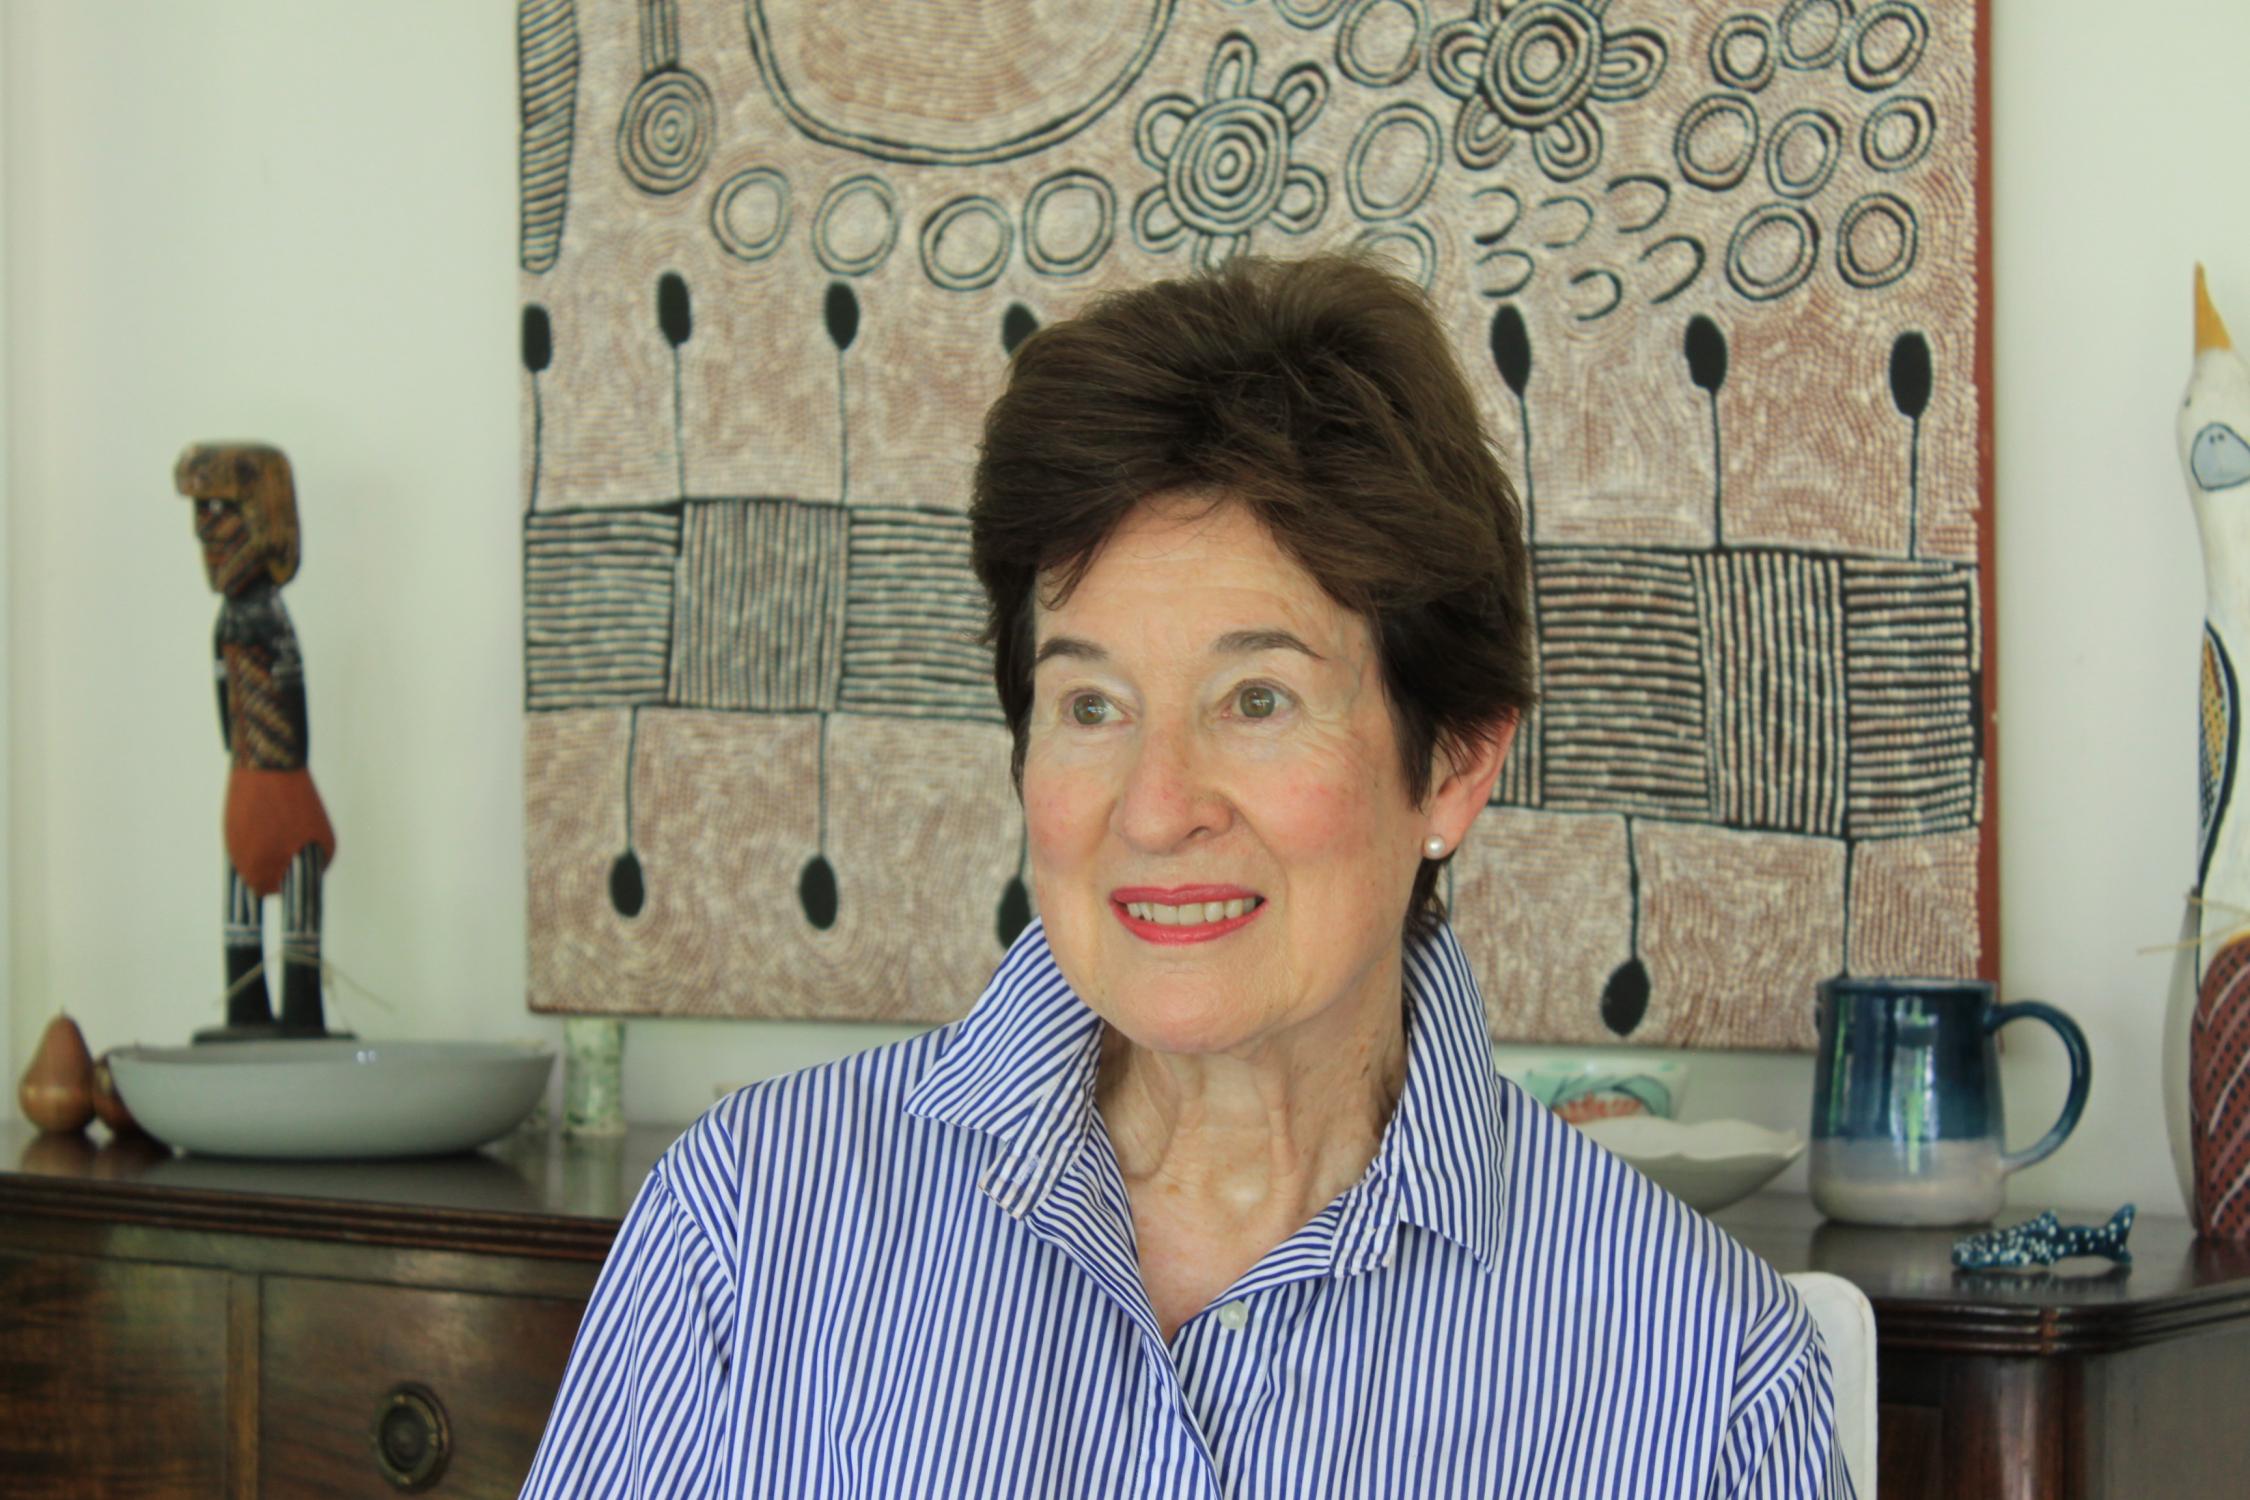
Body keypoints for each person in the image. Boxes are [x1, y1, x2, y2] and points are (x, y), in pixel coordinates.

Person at [522, 254, 1850, 1498]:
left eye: (1256, 698)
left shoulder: (1702, 1380)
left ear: (1448, 762)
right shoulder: (749, 1228)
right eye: (1092, 706)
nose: (1155, 809)